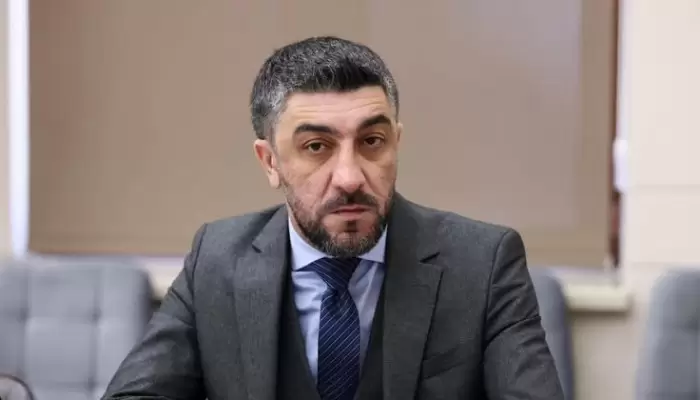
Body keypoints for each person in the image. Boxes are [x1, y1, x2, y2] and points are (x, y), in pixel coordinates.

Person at [103, 36, 564, 400]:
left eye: (372, 141)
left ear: (396, 143)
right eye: (316, 147)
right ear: (269, 162)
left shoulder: (483, 264)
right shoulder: (218, 260)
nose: (349, 177)